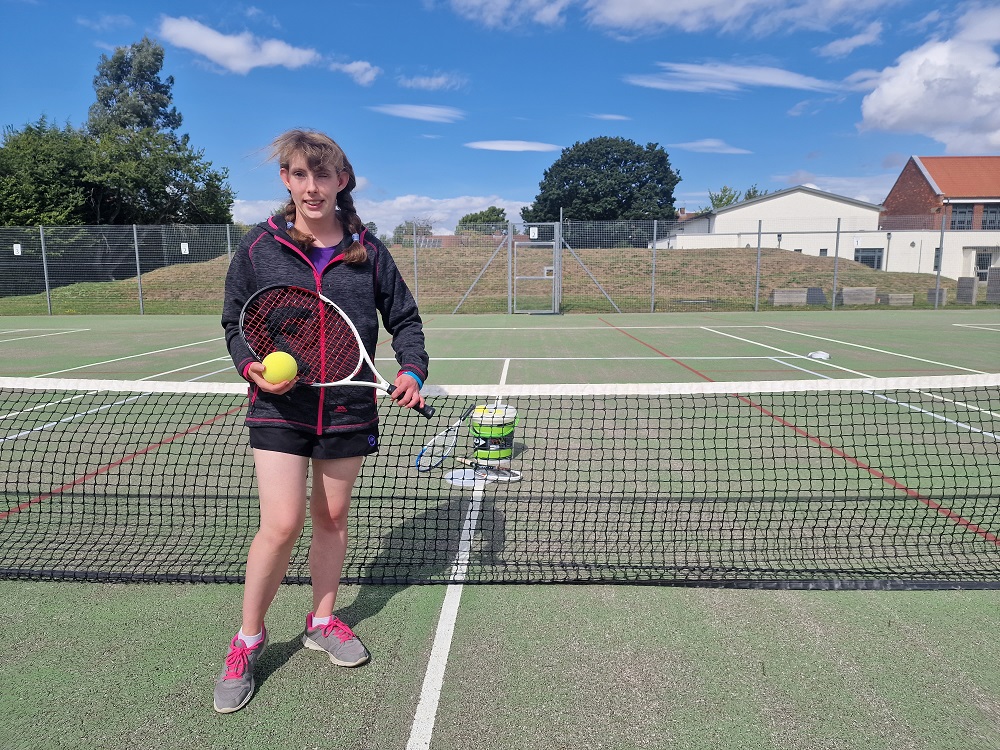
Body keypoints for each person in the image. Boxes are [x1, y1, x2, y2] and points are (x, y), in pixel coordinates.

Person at [214, 129, 429, 714]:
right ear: (286, 179)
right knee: (281, 524)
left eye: (323, 174)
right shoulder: (259, 247)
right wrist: (252, 367)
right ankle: (248, 638)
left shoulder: (369, 251)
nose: (312, 187)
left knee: (331, 516)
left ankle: (322, 620)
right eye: (300, 175)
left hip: (346, 408)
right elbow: (235, 322)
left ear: (342, 180)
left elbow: (405, 321)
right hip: (279, 408)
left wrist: (411, 369)